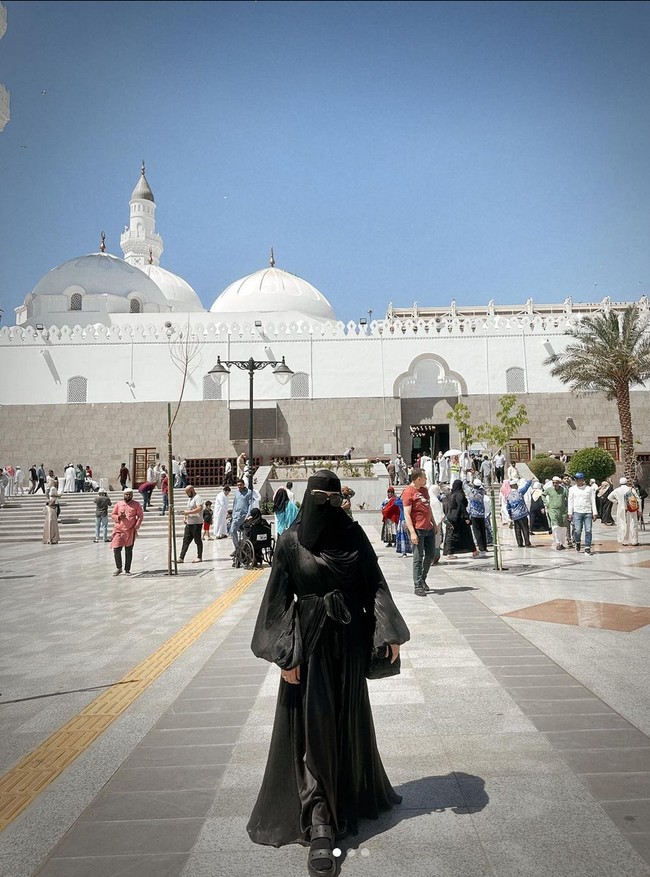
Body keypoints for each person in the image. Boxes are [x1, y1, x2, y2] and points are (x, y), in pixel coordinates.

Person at [246, 469, 410, 872]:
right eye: (323, 500)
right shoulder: (288, 543)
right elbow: (276, 604)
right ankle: (319, 818)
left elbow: (375, 581)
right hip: (311, 648)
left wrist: (387, 629)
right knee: (314, 727)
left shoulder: (353, 536)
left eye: (335, 500)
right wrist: (287, 655)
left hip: (349, 644)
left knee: (347, 720)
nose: (330, 509)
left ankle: (348, 796)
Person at [402, 467, 440, 595]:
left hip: (428, 527)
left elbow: (428, 509)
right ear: (418, 478)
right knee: (418, 557)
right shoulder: (408, 492)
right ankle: (417, 585)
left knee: (430, 554)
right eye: (424, 477)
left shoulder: (424, 490)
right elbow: (407, 514)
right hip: (417, 528)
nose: (426, 479)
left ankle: (423, 579)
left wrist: (434, 523)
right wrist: (412, 532)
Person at [110, 489, 143, 576]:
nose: (128, 496)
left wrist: (137, 525)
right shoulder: (119, 504)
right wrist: (119, 517)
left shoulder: (136, 504)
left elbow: (140, 516)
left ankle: (127, 569)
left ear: (132, 495)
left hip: (130, 530)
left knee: (128, 550)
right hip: (119, 530)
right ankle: (119, 567)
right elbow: (113, 515)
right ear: (124, 495)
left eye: (130, 494)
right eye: (126, 494)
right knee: (116, 549)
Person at [442, 478, 477, 558]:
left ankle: (449, 552)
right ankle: (473, 551)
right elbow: (462, 507)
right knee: (466, 534)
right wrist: (466, 517)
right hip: (459, 518)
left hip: (451, 517)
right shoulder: (460, 495)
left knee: (451, 535)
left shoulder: (452, 495)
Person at [567, 472, 597, 554]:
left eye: (580, 480)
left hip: (587, 512)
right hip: (577, 512)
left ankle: (587, 547)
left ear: (583, 480)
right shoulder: (572, 489)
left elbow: (593, 501)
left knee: (588, 530)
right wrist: (570, 513)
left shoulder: (589, 489)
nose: (579, 481)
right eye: (577, 480)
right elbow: (570, 501)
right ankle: (577, 541)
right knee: (578, 530)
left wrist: (594, 512)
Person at [608, 477, 640, 546]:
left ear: (620, 483)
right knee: (632, 524)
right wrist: (639, 510)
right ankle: (634, 541)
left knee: (622, 524)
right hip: (631, 509)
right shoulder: (631, 489)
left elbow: (609, 497)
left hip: (621, 509)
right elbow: (638, 499)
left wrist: (616, 502)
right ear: (626, 482)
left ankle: (624, 541)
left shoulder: (617, 490)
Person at [179, 485, 204, 562]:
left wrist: (188, 512)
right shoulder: (190, 499)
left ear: (192, 490)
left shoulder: (198, 498)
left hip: (196, 523)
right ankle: (181, 557)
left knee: (197, 540)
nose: (187, 494)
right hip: (189, 523)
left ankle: (199, 556)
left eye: (188, 492)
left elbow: (199, 508)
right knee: (185, 540)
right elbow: (188, 509)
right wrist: (185, 517)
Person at [505, 477, 533, 548]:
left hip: (515, 515)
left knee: (517, 529)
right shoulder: (520, 492)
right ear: (515, 485)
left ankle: (520, 543)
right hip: (522, 514)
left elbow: (508, 506)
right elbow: (526, 487)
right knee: (525, 528)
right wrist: (530, 480)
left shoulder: (508, 496)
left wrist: (510, 514)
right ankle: (527, 542)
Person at [544, 476, 569, 549]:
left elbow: (569, 498)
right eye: (553, 483)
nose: (555, 484)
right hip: (552, 510)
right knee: (555, 527)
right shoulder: (549, 490)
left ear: (559, 483)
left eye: (556, 483)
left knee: (563, 528)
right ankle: (557, 542)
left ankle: (561, 543)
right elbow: (543, 495)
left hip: (563, 511)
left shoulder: (564, 490)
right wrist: (546, 503)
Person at [231, 477, 253, 559]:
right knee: (232, 531)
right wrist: (233, 514)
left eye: (240, 485)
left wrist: (248, 514)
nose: (239, 486)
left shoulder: (248, 492)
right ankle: (237, 547)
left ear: (243, 484)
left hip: (244, 515)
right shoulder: (236, 492)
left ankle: (244, 548)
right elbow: (234, 503)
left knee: (244, 533)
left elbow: (250, 504)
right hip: (236, 515)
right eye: (238, 485)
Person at [467, 478, 489, 555]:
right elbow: (483, 488)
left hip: (474, 514)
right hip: (482, 514)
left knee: (477, 532)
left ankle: (481, 547)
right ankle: (485, 546)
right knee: (483, 530)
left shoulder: (472, 493)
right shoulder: (482, 492)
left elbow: (467, 488)